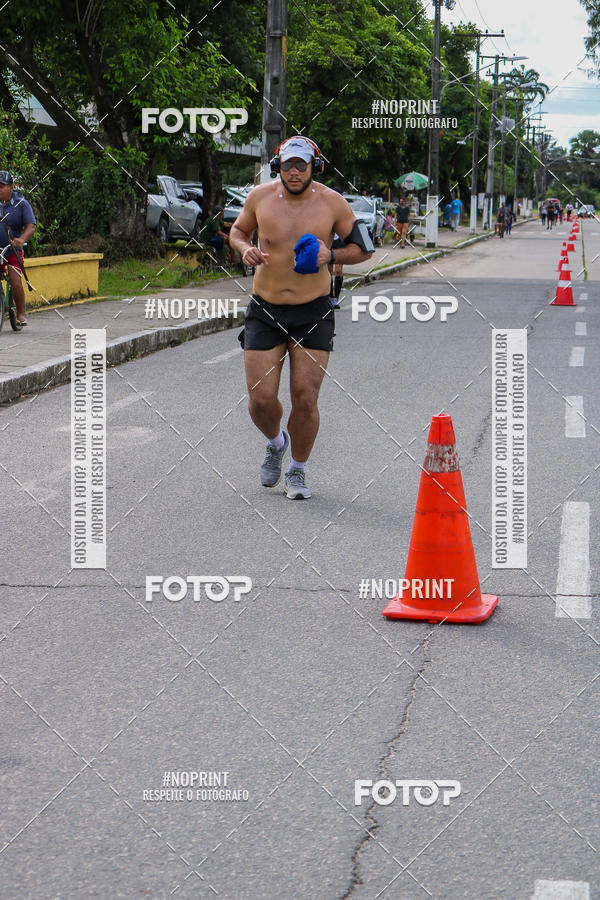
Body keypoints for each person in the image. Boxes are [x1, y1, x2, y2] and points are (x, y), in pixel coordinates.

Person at [229, 136, 374, 499]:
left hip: (313, 310)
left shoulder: (333, 202)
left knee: (305, 397)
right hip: (265, 308)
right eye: (288, 165)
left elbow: (363, 249)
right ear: (278, 165)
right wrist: (245, 249)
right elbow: (237, 231)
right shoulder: (259, 197)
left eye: (302, 165)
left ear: (316, 166)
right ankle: (277, 443)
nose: (294, 172)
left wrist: (331, 255)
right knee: (261, 400)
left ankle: (297, 469)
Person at [0, 171, 36, 326]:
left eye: (1, 187)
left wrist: (21, 239)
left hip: (12, 250)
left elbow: (30, 226)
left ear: (11, 187)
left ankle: (20, 312)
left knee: (15, 282)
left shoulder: (21, 204)